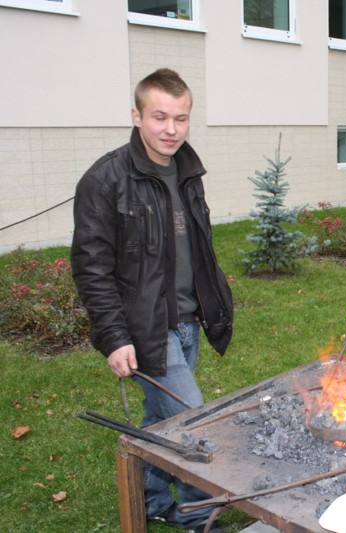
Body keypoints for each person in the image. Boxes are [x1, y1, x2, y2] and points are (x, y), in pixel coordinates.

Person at [71, 68, 233, 533]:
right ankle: (201, 517)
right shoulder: (106, 179)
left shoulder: (188, 171)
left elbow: (196, 246)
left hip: (187, 323)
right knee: (193, 425)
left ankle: (150, 500)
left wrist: (211, 303)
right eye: (159, 117)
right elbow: (91, 266)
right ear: (136, 116)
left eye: (181, 118)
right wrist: (114, 337)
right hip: (146, 329)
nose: (171, 129)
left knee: (157, 420)